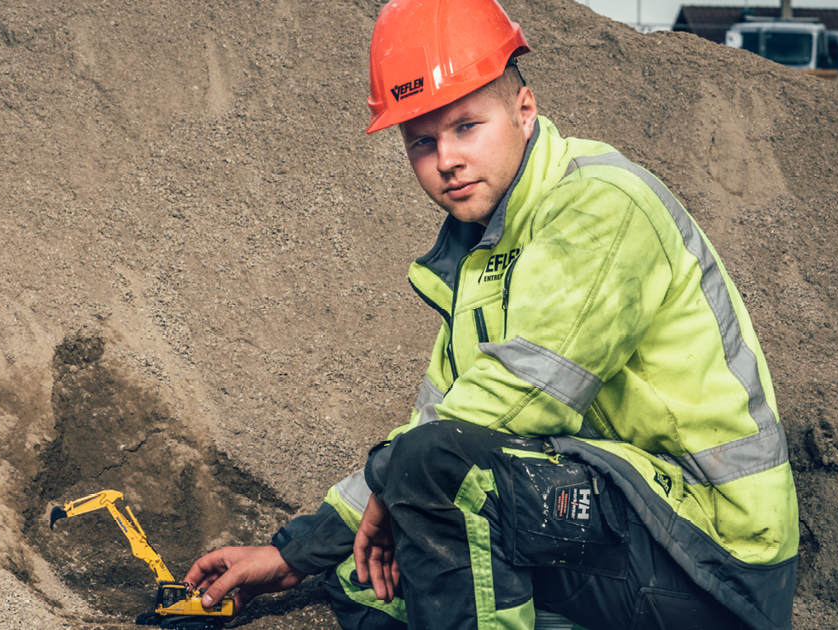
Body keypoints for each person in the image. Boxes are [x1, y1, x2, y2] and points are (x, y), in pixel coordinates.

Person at [184, 1, 798, 629]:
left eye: (467, 127)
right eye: (422, 141)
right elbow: (437, 418)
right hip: (612, 525)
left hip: (712, 556)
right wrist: (292, 556)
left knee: (430, 477)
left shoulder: (603, 206)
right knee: (365, 584)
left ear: (524, 110)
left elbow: (518, 397)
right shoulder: (478, 260)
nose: (446, 158)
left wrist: (402, 483)